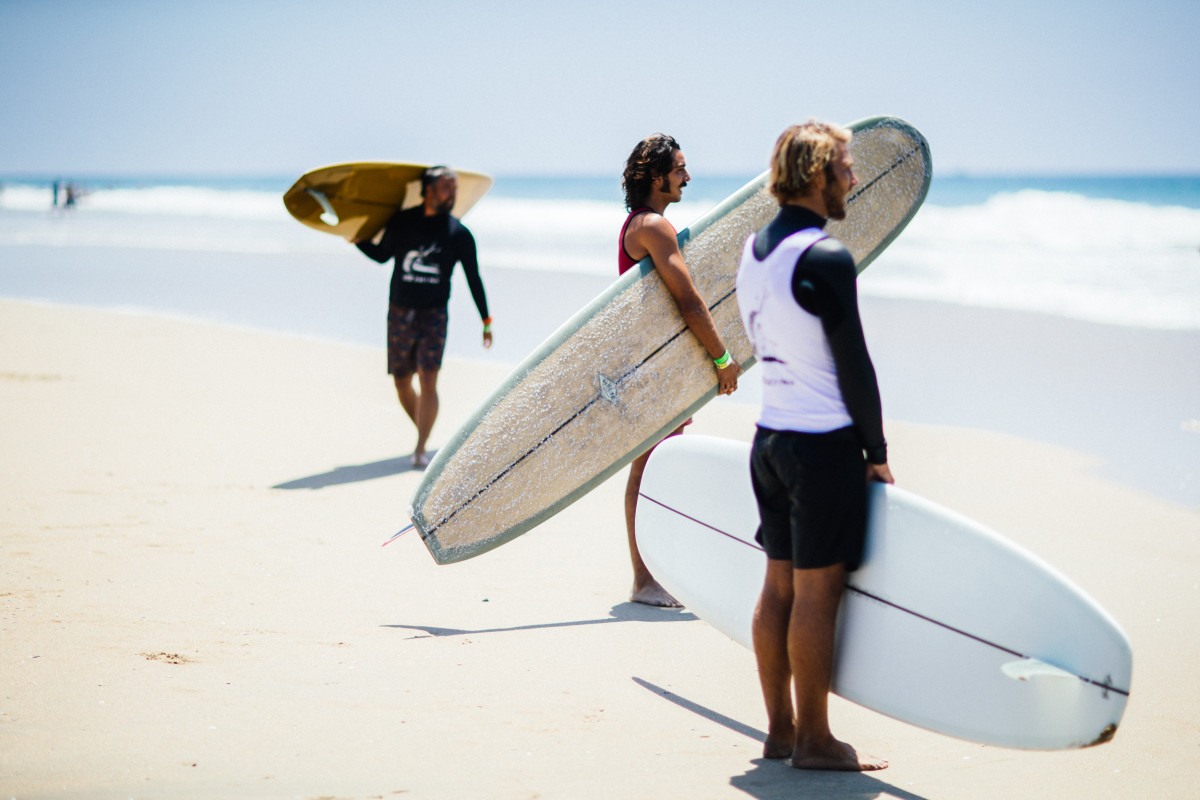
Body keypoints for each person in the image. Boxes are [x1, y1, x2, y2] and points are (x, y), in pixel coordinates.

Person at [735, 121, 893, 771]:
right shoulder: (825, 257)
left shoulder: (752, 252)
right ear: (817, 174)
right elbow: (854, 364)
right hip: (820, 447)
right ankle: (816, 740)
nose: (854, 178)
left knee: (777, 588)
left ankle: (779, 731)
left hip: (769, 439)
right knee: (817, 594)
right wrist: (877, 451)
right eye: (846, 168)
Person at [619, 133, 742, 607]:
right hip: (654, 371)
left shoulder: (638, 224)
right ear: (656, 176)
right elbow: (688, 301)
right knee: (651, 471)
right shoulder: (654, 227)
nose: (687, 177)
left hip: (655, 366)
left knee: (653, 471)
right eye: (679, 169)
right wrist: (721, 358)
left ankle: (654, 576)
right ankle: (645, 580)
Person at [351, 166, 492, 468]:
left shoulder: (459, 234)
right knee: (402, 381)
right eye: (446, 187)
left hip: (434, 314)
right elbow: (382, 255)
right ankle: (424, 428)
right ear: (427, 190)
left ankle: (420, 447)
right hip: (399, 310)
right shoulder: (403, 222)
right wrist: (356, 239)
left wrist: (486, 320)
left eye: (454, 188)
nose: (452, 193)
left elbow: (473, 278)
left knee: (428, 378)